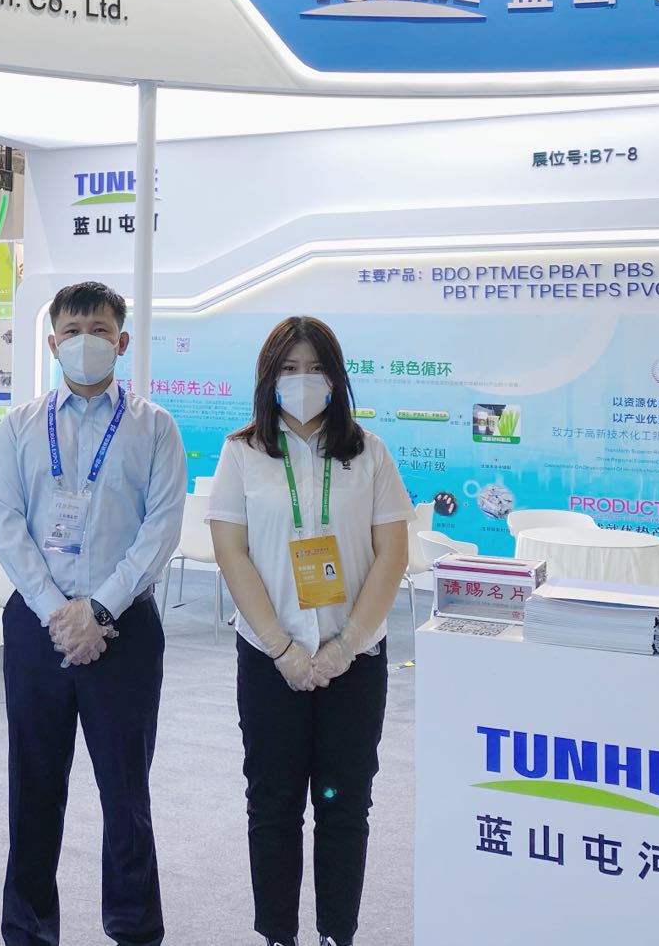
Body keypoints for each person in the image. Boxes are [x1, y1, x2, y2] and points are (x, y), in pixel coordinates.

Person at [0, 281, 187, 946]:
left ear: (121, 342)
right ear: (52, 344)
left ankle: (134, 928)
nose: (85, 342)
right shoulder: (19, 426)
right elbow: (7, 525)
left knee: (126, 793)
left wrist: (98, 608)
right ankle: (27, 929)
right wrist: (58, 612)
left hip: (124, 629)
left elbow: (160, 528)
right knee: (33, 787)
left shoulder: (155, 427)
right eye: (72, 331)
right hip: (37, 627)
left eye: (98, 330)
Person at [207, 317, 413, 946]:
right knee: (272, 805)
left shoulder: (369, 452)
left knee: (343, 805)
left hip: (355, 660)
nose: (302, 380)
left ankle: (335, 934)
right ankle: (278, 934)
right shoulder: (242, 452)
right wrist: (283, 648)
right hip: (270, 658)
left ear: (336, 378)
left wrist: (345, 646)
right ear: (268, 379)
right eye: (289, 369)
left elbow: (393, 554)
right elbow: (231, 551)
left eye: (315, 368)